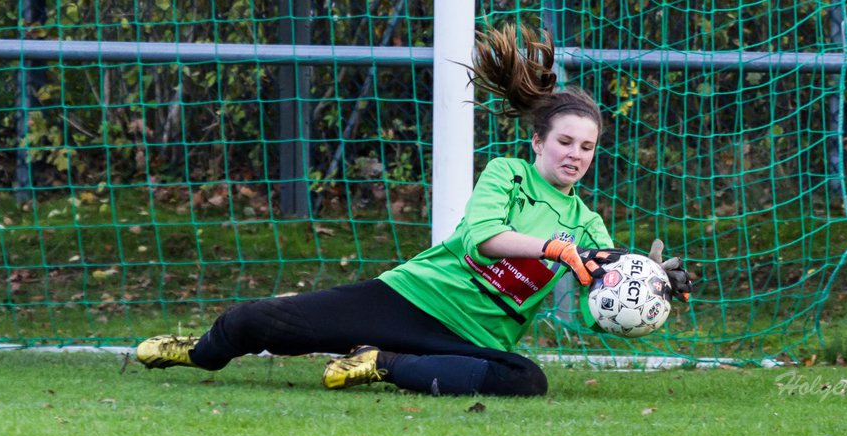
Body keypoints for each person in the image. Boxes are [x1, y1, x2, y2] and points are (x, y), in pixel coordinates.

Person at [135, 24, 692, 397]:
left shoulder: (589, 226)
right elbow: (483, 238)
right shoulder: (508, 173)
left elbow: (599, 312)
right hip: (410, 299)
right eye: (566, 142)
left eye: (587, 147)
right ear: (538, 142)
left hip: (472, 335)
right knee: (255, 322)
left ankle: (382, 363)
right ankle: (200, 352)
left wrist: (650, 288)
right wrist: (554, 248)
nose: (576, 155)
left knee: (526, 379)